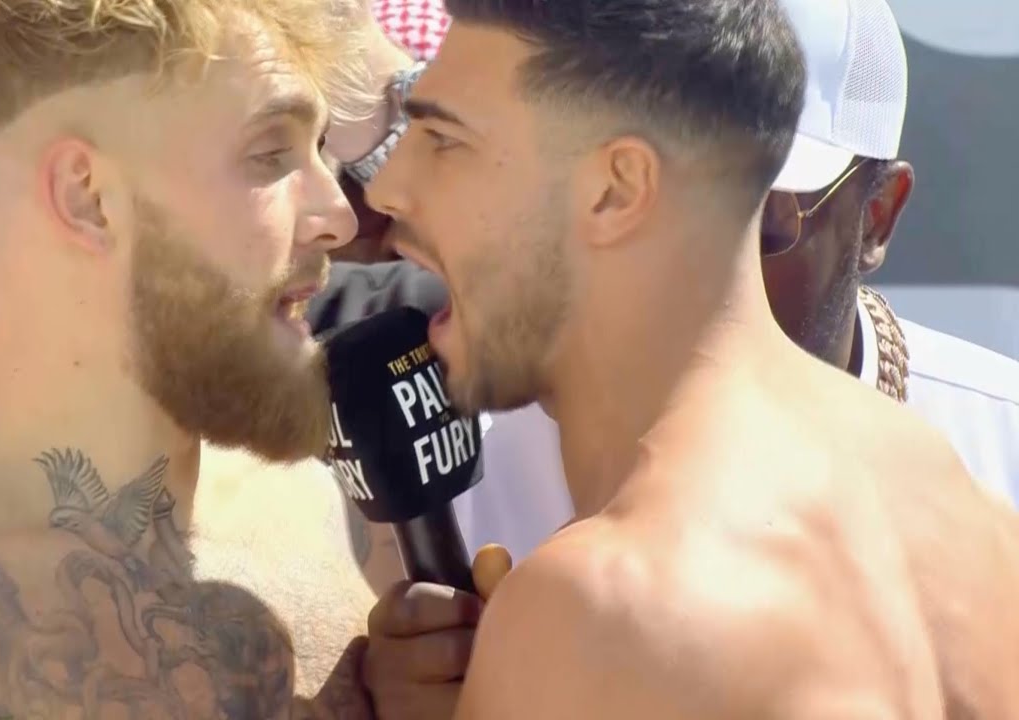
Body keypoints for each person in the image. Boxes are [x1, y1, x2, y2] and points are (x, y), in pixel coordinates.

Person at [0, 0, 417, 715]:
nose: (338, 216)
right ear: (88, 197)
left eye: (320, 151)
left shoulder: (318, 502)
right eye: (271, 155)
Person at [365, 0, 1019, 716]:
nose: (386, 188)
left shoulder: (605, 599)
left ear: (618, 188)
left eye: (445, 139)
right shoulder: (958, 503)